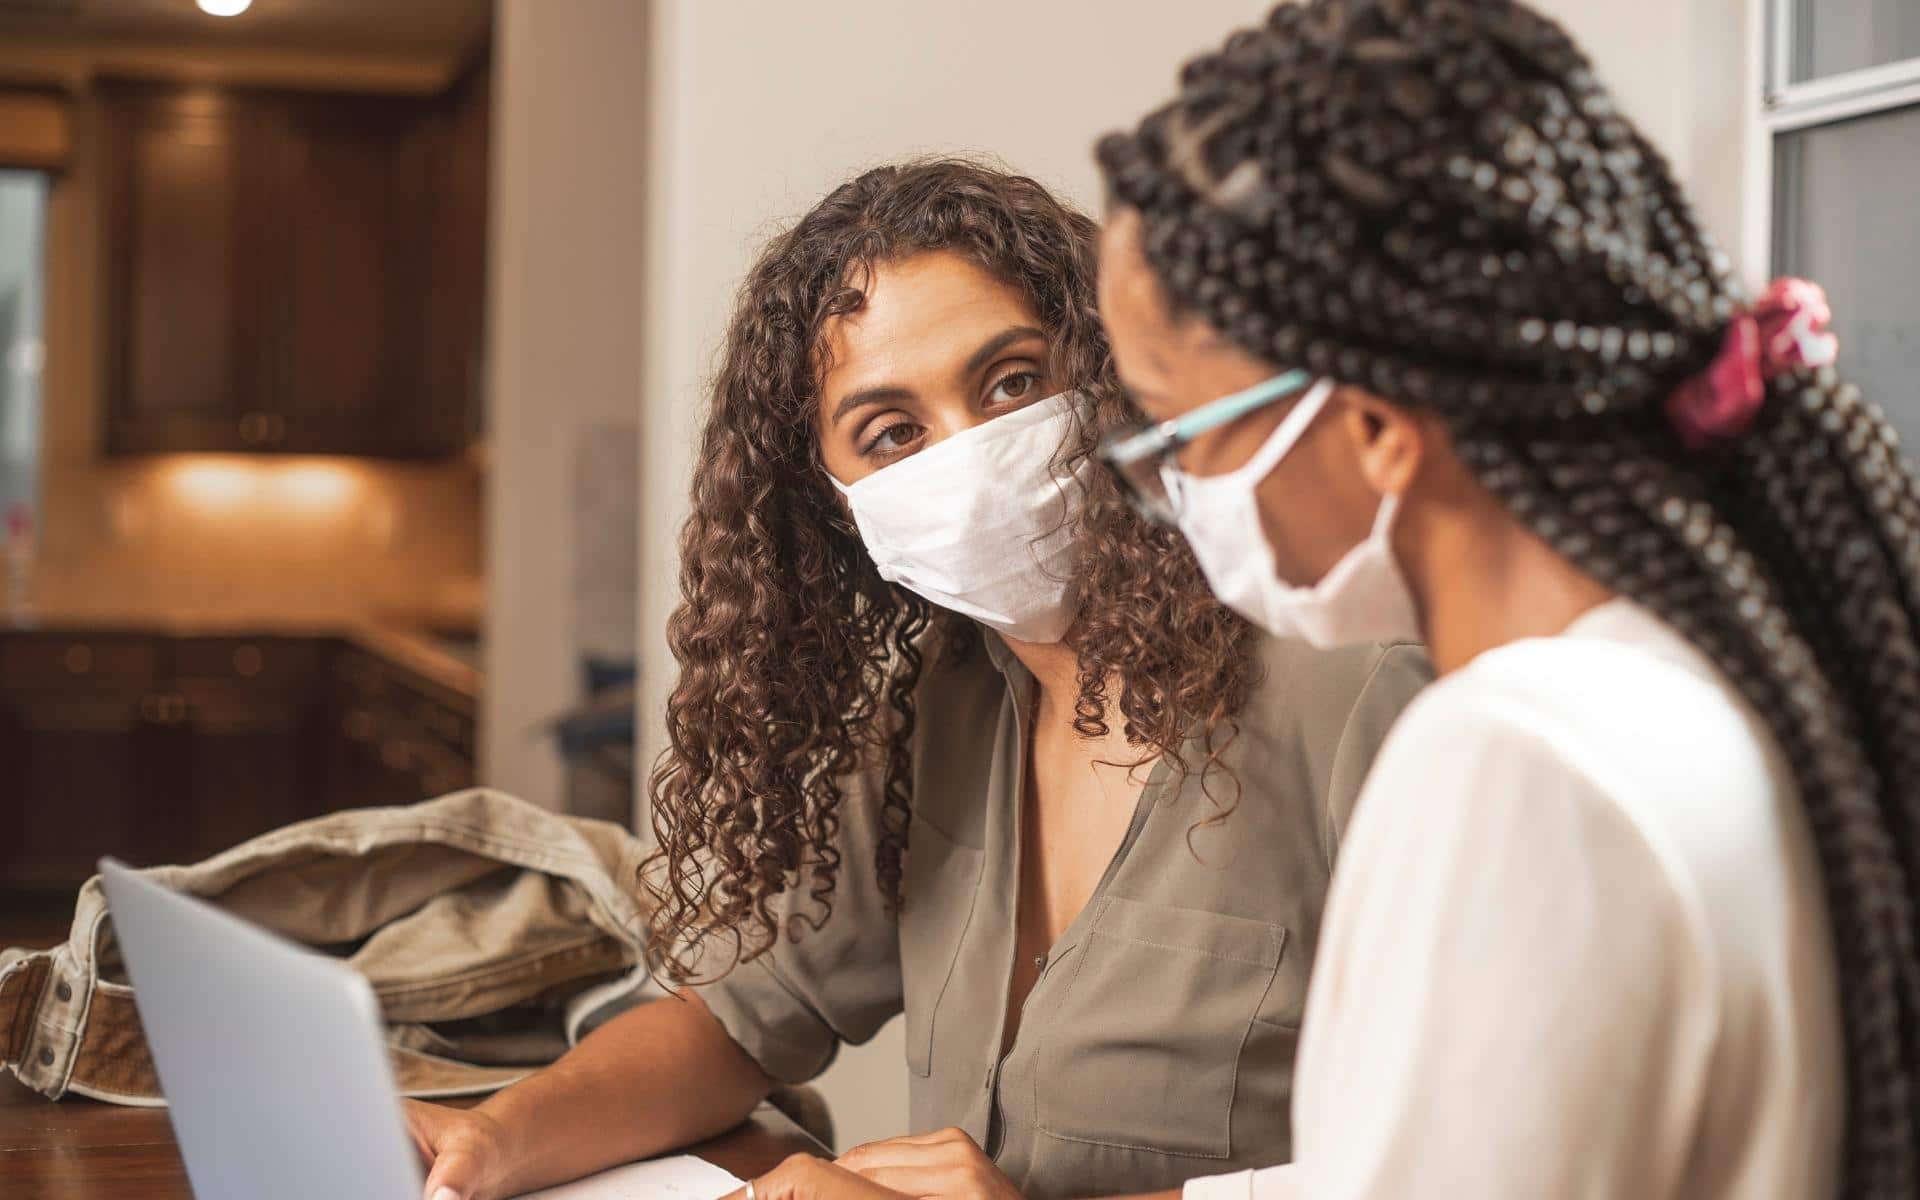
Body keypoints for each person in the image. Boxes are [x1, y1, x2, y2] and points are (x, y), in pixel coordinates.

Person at [405, 159, 1429, 1200]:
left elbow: (1520, 1150)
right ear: (835, 510)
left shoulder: (1354, 690)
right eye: (892, 434)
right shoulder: (941, 702)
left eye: (1016, 382)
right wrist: (493, 1139)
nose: (974, 455)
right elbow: (741, 1021)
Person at [1079, 2, 1915, 1197]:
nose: (1176, 493)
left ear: (1371, 428)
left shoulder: (1516, 762)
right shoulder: (1728, 667)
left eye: (1180, 431)